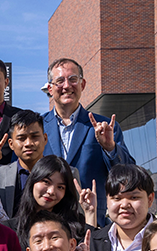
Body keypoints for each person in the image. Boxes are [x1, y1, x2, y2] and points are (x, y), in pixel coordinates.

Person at [41, 58, 134, 223]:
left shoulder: (104, 127)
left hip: (91, 218)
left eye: (73, 79)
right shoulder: (37, 127)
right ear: (50, 88)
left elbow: (128, 174)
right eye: (60, 81)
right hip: (47, 218)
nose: (67, 86)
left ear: (82, 84)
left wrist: (110, 147)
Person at [10, 155, 89, 247]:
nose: (51, 191)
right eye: (46, 182)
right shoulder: (10, 229)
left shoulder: (76, 226)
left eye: (60, 187)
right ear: (33, 182)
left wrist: (90, 213)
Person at [0, 110, 48, 218]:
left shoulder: (66, 174)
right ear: (11, 144)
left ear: (45, 138)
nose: (28, 143)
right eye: (21, 138)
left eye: (34, 137)